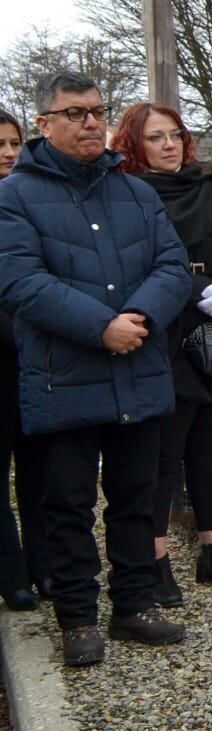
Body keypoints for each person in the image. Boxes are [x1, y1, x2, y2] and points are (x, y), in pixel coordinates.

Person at [0, 73, 191, 665]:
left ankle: (134, 605)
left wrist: (138, 317)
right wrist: (100, 326)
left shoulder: (134, 192)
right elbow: (20, 281)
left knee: (136, 497)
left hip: (137, 366)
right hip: (66, 376)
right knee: (68, 506)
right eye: (76, 113)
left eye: (97, 111)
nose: (90, 122)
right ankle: (78, 618)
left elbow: (173, 266)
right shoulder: (14, 197)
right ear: (44, 124)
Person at [112, 102, 212, 604]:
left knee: (208, 450)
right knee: (164, 457)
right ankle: (156, 562)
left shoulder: (207, 189)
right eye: (156, 138)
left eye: (175, 135)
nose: (170, 145)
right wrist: (196, 289)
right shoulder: (128, 196)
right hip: (169, 336)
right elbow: (136, 263)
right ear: (134, 144)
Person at [0, 106, 46, 610]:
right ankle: (10, 574)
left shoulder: (30, 199)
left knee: (40, 474)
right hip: (13, 348)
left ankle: (43, 566)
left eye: (14, 143)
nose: (10, 153)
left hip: (35, 360)